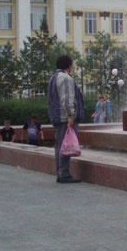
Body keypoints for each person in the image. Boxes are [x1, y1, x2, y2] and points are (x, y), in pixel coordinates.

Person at [48, 55, 84, 183]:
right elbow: (67, 98)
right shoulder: (65, 78)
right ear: (69, 66)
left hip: (57, 116)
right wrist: (70, 115)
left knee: (60, 145)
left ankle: (60, 172)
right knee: (66, 145)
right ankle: (64, 174)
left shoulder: (53, 78)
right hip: (65, 118)